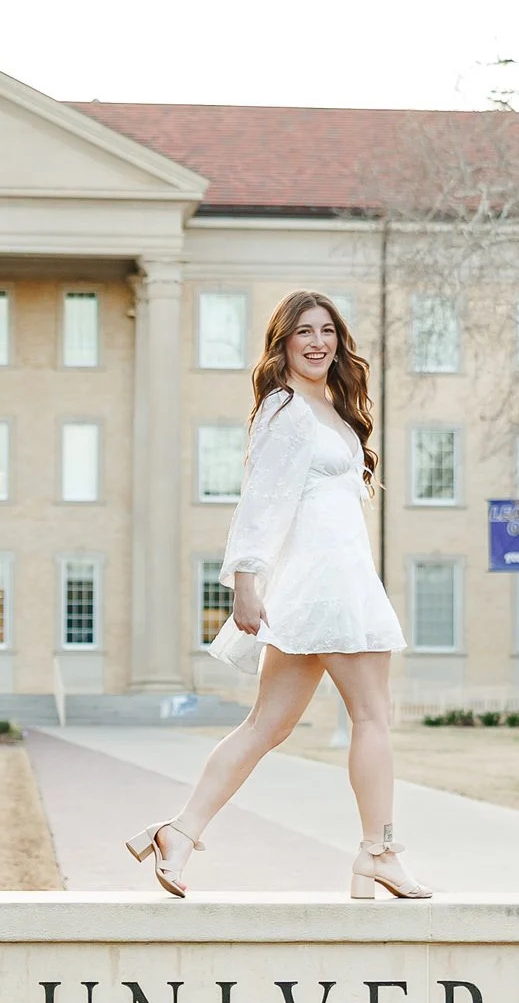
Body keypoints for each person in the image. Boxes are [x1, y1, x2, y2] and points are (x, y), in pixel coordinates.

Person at [124, 290, 427, 899]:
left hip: (327, 582)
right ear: (283, 343)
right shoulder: (286, 409)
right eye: (303, 333)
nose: (317, 343)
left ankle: (178, 835)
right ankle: (380, 852)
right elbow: (260, 500)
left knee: (265, 726)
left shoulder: (330, 406)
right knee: (372, 717)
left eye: (327, 332)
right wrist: (245, 580)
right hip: (328, 585)